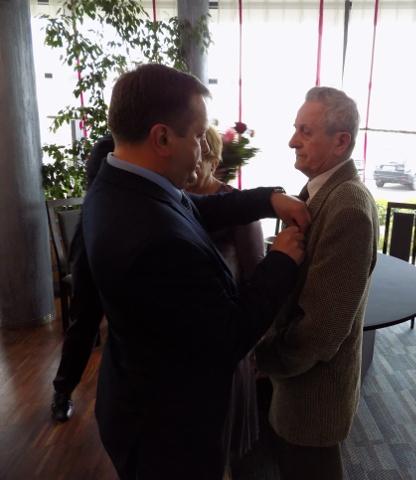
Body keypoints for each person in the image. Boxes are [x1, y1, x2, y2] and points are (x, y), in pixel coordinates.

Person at [82, 63, 309, 480]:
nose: (205, 150)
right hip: (166, 434)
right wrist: (281, 260)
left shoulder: (119, 181)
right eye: (199, 137)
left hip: (135, 394)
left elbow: (195, 208)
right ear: (162, 138)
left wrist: (267, 200)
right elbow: (229, 337)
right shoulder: (155, 240)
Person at [255, 86, 379, 480]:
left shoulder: (348, 207)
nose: (293, 141)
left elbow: (322, 329)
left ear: (341, 141)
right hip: (297, 388)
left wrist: (263, 360)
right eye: (296, 129)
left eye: (305, 132)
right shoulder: (319, 193)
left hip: (314, 397)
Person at [185, 125, 263, 476]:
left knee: (220, 434)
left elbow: (255, 276)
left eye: (200, 156)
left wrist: (255, 341)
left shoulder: (236, 205)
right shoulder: (173, 199)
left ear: (214, 161)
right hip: (186, 336)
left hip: (226, 332)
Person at [50, 134, 114, 422]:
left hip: (120, 237)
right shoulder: (107, 147)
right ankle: (62, 391)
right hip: (92, 239)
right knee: (84, 323)